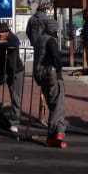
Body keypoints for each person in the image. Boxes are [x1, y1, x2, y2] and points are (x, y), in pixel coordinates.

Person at [33, 18, 68, 148]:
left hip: (41, 76)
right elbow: (56, 58)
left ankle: (55, 136)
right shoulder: (50, 40)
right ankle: (56, 133)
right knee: (58, 105)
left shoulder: (39, 39)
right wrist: (59, 68)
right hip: (52, 75)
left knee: (53, 104)